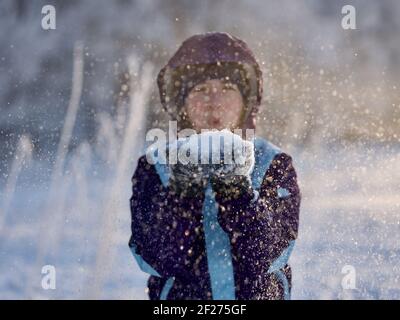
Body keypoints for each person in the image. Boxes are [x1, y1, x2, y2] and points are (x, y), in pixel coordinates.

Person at [129, 32, 301, 300]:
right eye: (200, 90)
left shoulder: (272, 163)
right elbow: (155, 260)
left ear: (247, 100)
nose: (214, 101)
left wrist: (238, 193)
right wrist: (183, 193)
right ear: (181, 102)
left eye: (228, 89)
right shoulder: (156, 166)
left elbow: (269, 255)